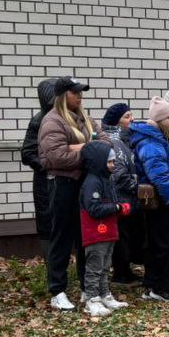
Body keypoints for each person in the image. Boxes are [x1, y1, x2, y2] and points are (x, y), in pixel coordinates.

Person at [39, 76, 94, 310]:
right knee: (61, 237)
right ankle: (57, 290)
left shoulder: (83, 117)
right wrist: (87, 150)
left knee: (85, 237)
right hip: (62, 184)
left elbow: (103, 143)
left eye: (81, 92)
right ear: (63, 95)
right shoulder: (52, 120)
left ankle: (86, 286)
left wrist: (81, 148)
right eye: (75, 92)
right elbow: (56, 157)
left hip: (83, 183)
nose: (80, 96)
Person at [127, 97, 169, 303]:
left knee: (158, 245)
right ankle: (164, 288)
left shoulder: (153, 138)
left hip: (157, 203)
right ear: (159, 119)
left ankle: (153, 285)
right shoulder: (151, 143)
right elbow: (160, 177)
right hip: (161, 203)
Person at [78, 140, 131, 317]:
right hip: (96, 233)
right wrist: (116, 208)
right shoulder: (92, 182)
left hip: (108, 231)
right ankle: (91, 299)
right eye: (109, 162)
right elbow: (93, 208)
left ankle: (104, 294)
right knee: (94, 266)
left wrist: (121, 206)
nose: (113, 165)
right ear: (98, 161)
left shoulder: (106, 179)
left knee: (105, 265)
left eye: (114, 161)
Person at [100, 103, 142, 284]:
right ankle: (121, 273)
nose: (131, 119)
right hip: (120, 198)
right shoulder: (113, 143)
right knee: (121, 238)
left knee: (127, 236)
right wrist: (138, 187)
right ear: (116, 123)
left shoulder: (124, 140)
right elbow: (118, 175)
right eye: (127, 116)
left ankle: (124, 270)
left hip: (127, 199)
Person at [20, 78, 58, 257]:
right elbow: (27, 154)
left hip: (66, 181)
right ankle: (52, 267)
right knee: (47, 223)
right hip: (45, 182)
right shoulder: (38, 121)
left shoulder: (70, 117)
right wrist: (48, 164)